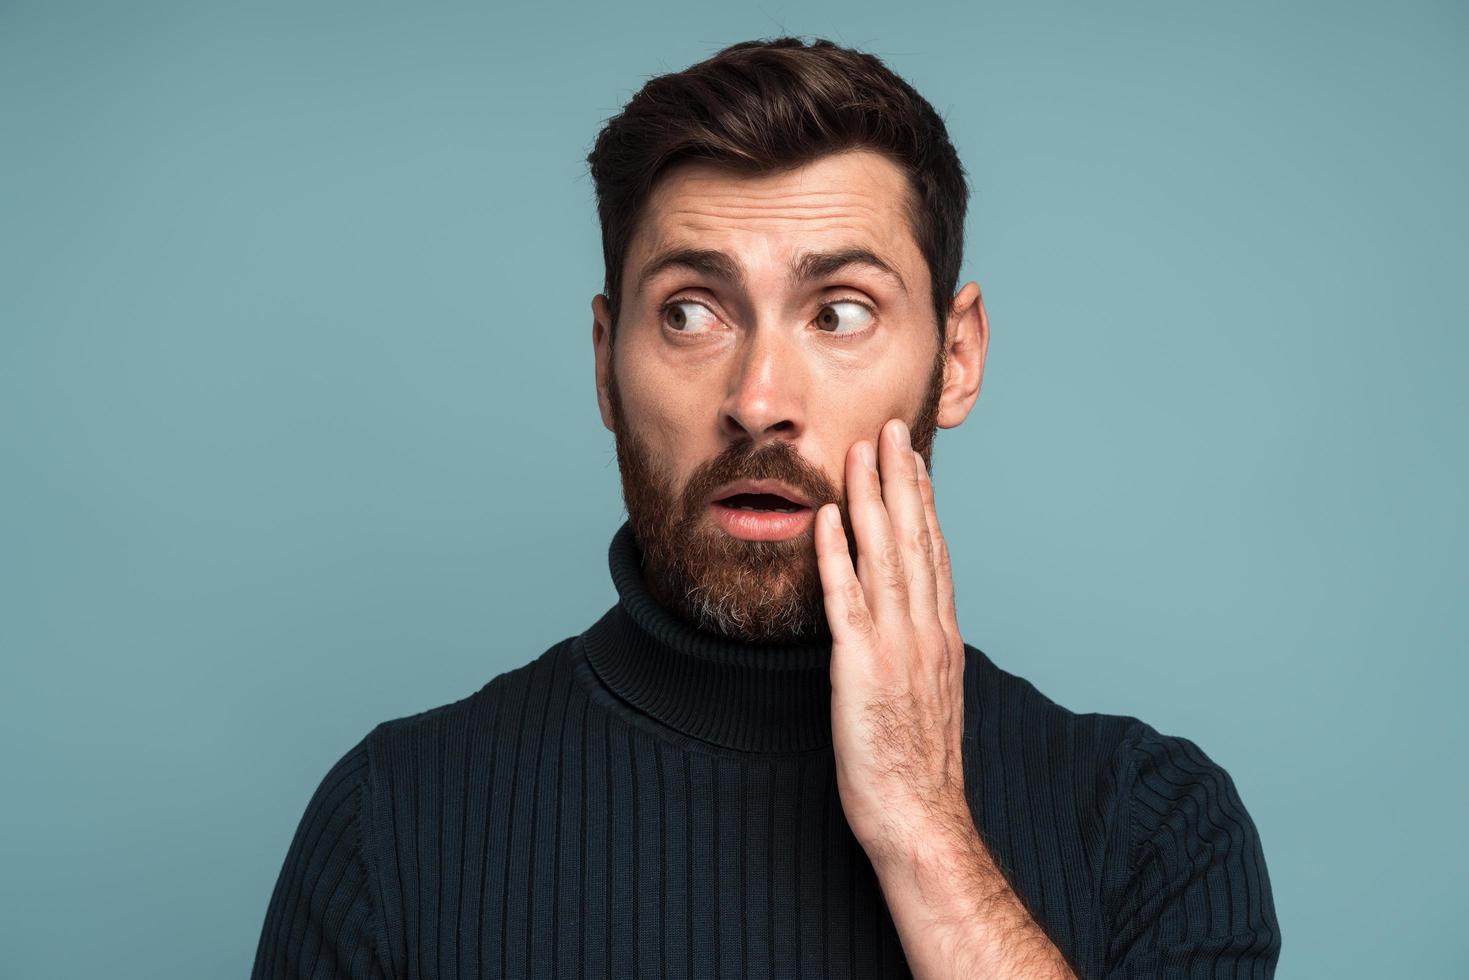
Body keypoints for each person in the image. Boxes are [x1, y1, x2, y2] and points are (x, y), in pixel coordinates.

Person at [251, 37, 1280, 979]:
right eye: (690, 312)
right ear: (605, 364)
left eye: (839, 312)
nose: (757, 401)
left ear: (955, 357)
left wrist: (923, 830)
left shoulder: (1153, 828)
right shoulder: (389, 824)